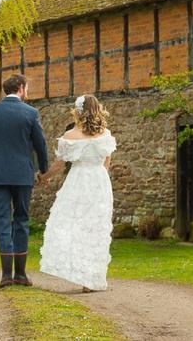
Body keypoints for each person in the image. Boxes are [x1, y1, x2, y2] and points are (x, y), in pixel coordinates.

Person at [0, 74, 49, 288]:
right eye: (27, 88)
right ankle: (21, 275)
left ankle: (6, 276)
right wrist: (44, 171)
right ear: (21, 88)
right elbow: (41, 146)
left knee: (2, 221)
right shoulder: (31, 113)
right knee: (21, 220)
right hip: (23, 176)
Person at [39, 94, 116, 292]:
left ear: (78, 112)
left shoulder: (70, 136)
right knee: (95, 228)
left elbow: (59, 164)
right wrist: (100, 179)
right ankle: (91, 278)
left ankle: (84, 275)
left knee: (73, 225)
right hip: (100, 181)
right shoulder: (105, 134)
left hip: (79, 180)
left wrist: (45, 177)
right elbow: (107, 162)